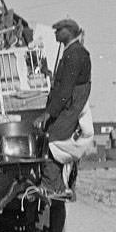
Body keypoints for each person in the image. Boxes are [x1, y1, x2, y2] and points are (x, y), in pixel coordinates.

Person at [35, 17, 92, 197]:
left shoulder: (74, 54)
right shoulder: (72, 52)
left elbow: (66, 90)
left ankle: (52, 187)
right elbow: (62, 83)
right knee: (51, 138)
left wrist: (48, 114)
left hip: (70, 107)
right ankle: (58, 185)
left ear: (68, 31)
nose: (55, 33)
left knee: (52, 138)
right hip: (69, 105)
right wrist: (49, 75)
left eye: (58, 30)